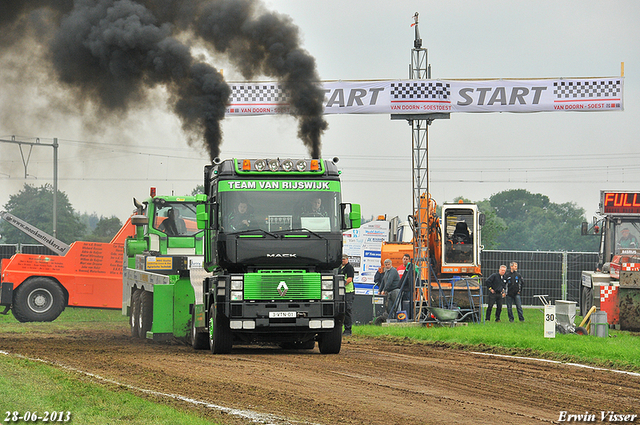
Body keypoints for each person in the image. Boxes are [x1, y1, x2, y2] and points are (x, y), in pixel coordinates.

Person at [374, 259, 400, 324]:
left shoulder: (393, 270)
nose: (387, 266)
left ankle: (399, 320)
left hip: (395, 290)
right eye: (386, 265)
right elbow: (383, 281)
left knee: (396, 305)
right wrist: (380, 290)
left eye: (388, 264)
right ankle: (390, 320)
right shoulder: (386, 271)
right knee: (389, 307)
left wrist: (384, 290)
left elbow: (389, 281)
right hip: (389, 291)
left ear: (391, 264)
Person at [338, 255, 355, 336]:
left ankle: (348, 329)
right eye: (342, 259)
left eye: (344, 259)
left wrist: (341, 284)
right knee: (342, 310)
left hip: (348, 291)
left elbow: (349, 279)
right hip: (341, 291)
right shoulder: (339, 268)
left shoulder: (349, 267)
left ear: (347, 259)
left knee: (347, 309)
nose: (343, 261)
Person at [398, 254, 415, 319]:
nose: (405, 261)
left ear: (409, 260)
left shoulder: (411, 268)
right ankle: (401, 316)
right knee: (401, 303)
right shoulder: (399, 268)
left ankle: (408, 316)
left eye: (406, 259)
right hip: (401, 288)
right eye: (404, 259)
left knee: (407, 302)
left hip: (408, 289)